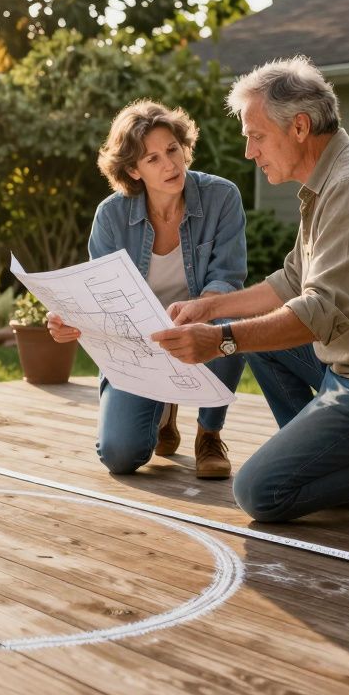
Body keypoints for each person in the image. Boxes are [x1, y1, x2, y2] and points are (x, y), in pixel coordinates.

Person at [151, 57, 349, 525]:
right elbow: (291, 283)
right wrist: (210, 307)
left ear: (299, 127)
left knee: (261, 491)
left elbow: (321, 312)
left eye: (255, 136)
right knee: (258, 340)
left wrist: (221, 340)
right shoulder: (327, 182)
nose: (248, 152)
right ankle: (333, 468)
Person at [47, 100, 248, 479]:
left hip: (198, 323)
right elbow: (99, 296)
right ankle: (164, 412)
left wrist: (196, 316)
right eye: (152, 158)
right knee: (120, 457)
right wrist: (68, 319)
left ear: (184, 146)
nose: (170, 165)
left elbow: (227, 278)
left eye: (172, 149)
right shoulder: (111, 215)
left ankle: (209, 433)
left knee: (228, 316)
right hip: (137, 342)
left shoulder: (223, 197)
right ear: (133, 170)